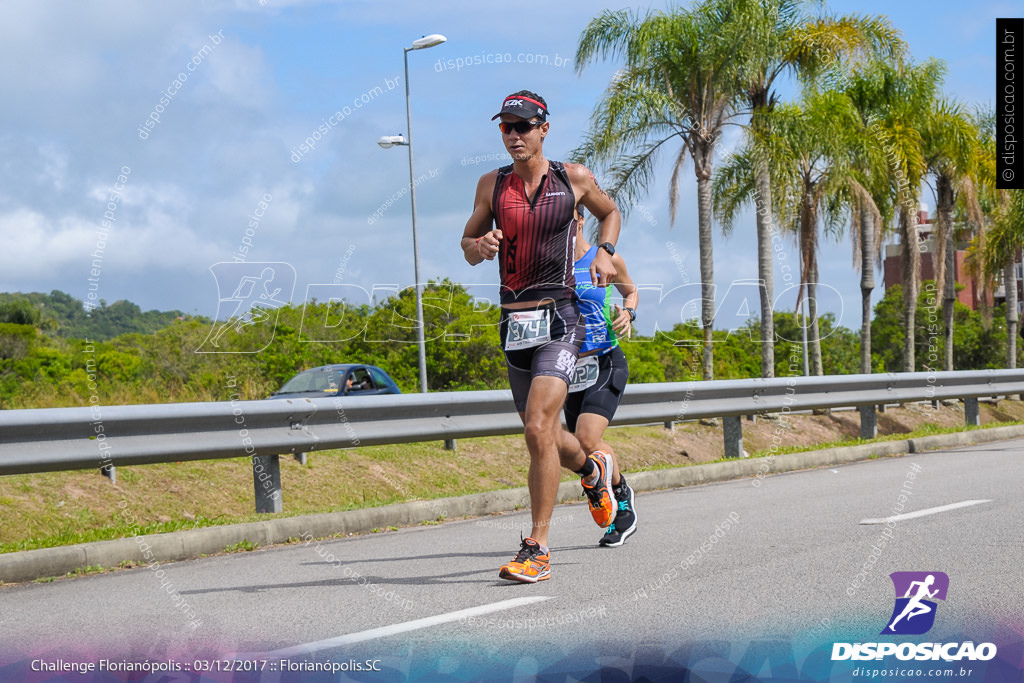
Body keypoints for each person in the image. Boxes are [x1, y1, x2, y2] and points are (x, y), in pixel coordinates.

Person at [461, 90, 622, 583]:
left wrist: (604, 251)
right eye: (506, 127)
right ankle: (593, 473)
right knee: (549, 435)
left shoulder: (572, 178)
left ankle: (538, 548)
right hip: (514, 322)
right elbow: (467, 245)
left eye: (523, 126)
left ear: (544, 129)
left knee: (536, 428)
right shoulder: (491, 185)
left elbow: (609, 212)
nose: (514, 135)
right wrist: (479, 244)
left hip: (561, 317)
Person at [565, 207, 639, 547]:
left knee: (587, 438)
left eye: (565, 218)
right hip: (566, 369)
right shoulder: (550, 267)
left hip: (605, 360)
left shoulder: (603, 256)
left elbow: (631, 291)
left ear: (580, 220)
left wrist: (629, 312)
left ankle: (619, 501)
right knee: (574, 448)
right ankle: (619, 488)